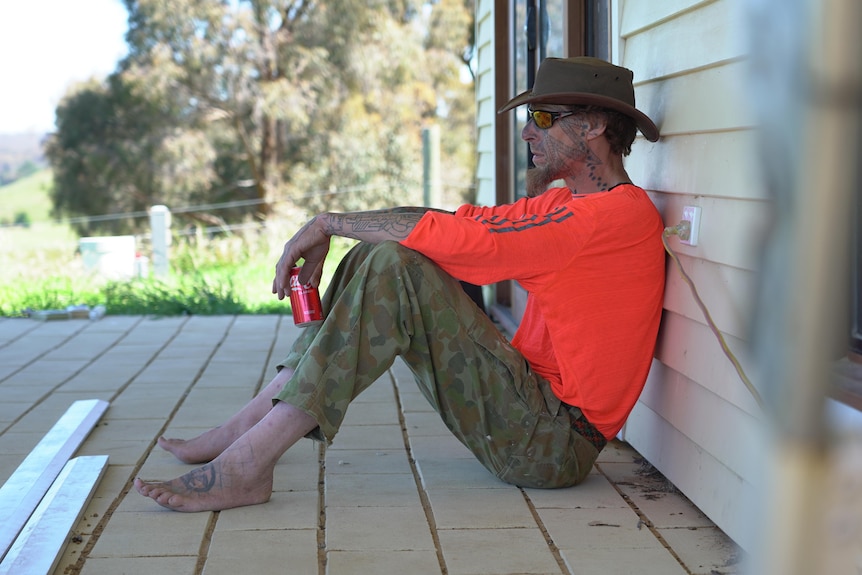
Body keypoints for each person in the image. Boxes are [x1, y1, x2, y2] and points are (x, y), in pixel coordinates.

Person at [135, 56, 666, 512]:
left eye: (545, 118)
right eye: (531, 117)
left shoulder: (608, 219)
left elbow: (481, 248)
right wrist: (343, 225)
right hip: (531, 410)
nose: (529, 132)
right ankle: (244, 431)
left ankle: (248, 462)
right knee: (383, 250)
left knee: (395, 265)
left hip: (552, 442)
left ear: (594, 125)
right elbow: (467, 222)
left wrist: (327, 223)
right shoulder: (568, 204)